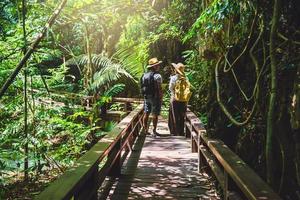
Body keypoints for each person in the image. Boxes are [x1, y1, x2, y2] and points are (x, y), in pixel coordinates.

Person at [140, 57, 163, 137]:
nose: (159, 66)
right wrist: (160, 96)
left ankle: (145, 129)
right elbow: (159, 88)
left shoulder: (144, 75)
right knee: (155, 114)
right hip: (155, 97)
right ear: (154, 67)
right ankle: (154, 130)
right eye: (157, 65)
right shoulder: (158, 76)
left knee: (146, 112)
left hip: (146, 96)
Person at [168, 63, 191, 136]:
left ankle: (175, 132)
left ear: (176, 70)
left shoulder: (174, 78)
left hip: (175, 98)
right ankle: (181, 132)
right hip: (183, 99)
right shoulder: (186, 78)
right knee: (182, 115)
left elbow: (170, 88)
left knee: (174, 115)